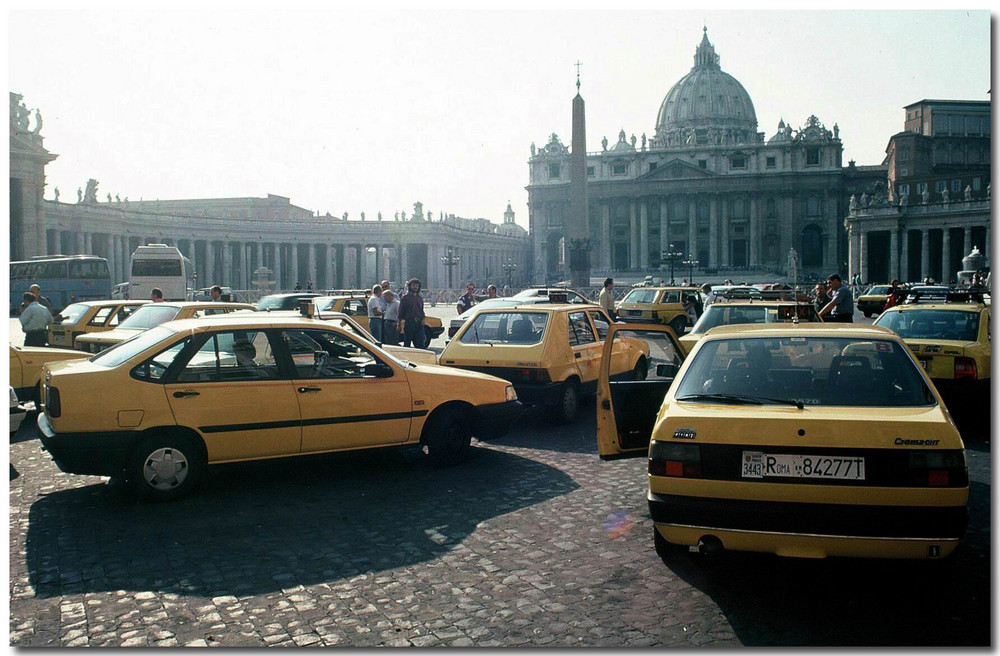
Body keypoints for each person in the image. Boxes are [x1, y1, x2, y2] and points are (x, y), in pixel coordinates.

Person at [399, 278, 426, 349]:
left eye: (417, 285)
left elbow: (421, 310)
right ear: (410, 286)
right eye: (413, 285)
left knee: (420, 344)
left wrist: (423, 319)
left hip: (419, 323)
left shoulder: (419, 298)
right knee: (407, 343)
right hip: (409, 322)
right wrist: (399, 324)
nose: (415, 287)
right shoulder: (405, 297)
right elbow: (401, 311)